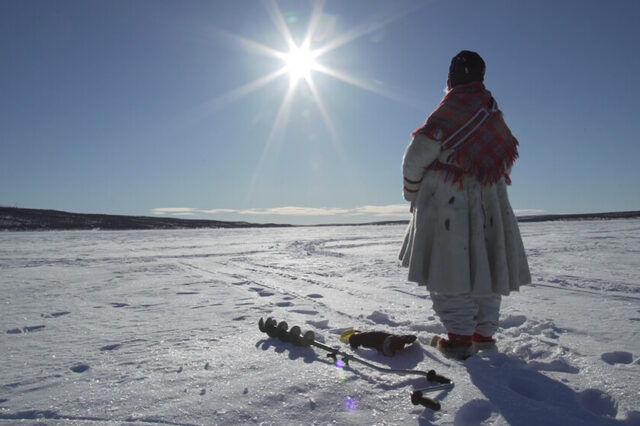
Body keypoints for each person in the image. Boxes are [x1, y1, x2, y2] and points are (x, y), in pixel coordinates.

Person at [399, 50, 531, 360]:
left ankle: (458, 340)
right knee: (487, 269)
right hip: (491, 204)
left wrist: (413, 192)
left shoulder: (449, 110)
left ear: (451, 78)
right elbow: (504, 163)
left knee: (448, 271)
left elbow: (416, 158)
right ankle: (483, 337)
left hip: (449, 204)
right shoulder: (492, 114)